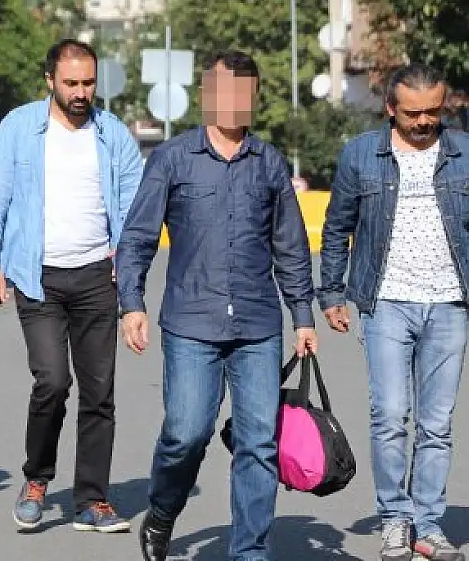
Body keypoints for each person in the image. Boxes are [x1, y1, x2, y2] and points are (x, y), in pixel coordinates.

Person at [115, 50, 319, 561]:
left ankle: (249, 551)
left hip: (257, 326)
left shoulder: (269, 162)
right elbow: (138, 236)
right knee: (186, 434)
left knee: (258, 443)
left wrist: (302, 316)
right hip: (191, 323)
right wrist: (131, 303)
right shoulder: (172, 159)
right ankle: (163, 510)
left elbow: (290, 245)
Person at [318, 63, 469, 561]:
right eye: (413, 113)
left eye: (433, 111)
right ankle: (395, 518)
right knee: (389, 415)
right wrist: (332, 293)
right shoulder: (360, 155)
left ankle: (428, 525)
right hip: (385, 302)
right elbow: (337, 226)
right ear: (391, 108)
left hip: (449, 302)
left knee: (437, 423)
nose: (425, 121)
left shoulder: (465, 153)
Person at [0, 38, 144, 533]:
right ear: (50, 80)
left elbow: (135, 208)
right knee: (52, 381)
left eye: (88, 82)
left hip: (96, 277)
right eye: (71, 83)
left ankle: (92, 499)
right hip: (37, 276)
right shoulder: (19, 127)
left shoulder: (113, 134)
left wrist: (129, 275)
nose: (80, 92)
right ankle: (36, 479)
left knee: (99, 393)